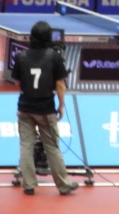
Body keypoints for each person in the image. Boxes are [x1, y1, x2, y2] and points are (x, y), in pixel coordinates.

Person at [11, 22, 79, 196]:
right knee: (52, 147)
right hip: (45, 109)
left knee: (26, 146)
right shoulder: (54, 57)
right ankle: (63, 185)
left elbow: (17, 83)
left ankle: (28, 185)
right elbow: (60, 84)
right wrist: (61, 105)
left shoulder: (21, 56)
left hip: (24, 108)